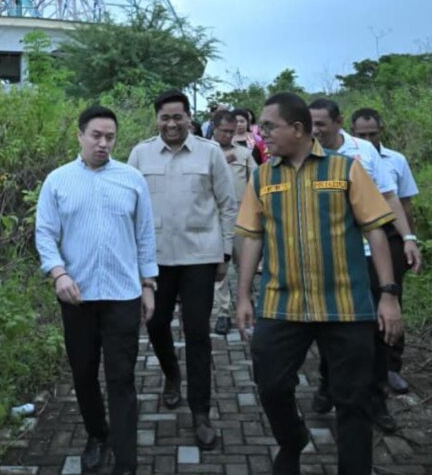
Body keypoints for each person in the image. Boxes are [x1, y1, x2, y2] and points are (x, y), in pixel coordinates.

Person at [236, 92, 402, 475]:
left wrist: (388, 296)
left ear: (297, 129)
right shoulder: (263, 175)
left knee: (353, 401)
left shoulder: (346, 170)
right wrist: (244, 295)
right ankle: (293, 439)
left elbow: (377, 232)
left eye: (270, 126)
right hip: (282, 305)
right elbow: (253, 236)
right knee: (272, 385)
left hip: (346, 305)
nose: (263, 133)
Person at [36, 105, 158, 475]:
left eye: (110, 137)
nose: (104, 144)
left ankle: (126, 458)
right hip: (78, 297)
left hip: (123, 295)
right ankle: (96, 434)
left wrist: (148, 284)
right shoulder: (57, 181)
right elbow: (45, 234)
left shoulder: (132, 179)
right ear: (80, 135)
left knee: (121, 378)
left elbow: (145, 236)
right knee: (84, 373)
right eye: (97, 136)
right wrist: (58, 274)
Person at [128, 89, 237, 449]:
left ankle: (201, 413)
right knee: (156, 324)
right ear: (157, 119)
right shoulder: (140, 154)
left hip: (199, 259)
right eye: (165, 117)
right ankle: (171, 375)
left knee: (197, 335)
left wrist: (225, 253)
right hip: (155, 260)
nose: (172, 123)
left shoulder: (209, 153)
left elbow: (227, 204)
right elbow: (127, 205)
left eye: (178, 117)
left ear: (190, 117)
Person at [309, 98, 422, 430]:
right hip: (329, 255)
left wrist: (408, 239)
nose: (315, 130)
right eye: (310, 124)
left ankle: (376, 400)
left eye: (321, 124)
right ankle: (327, 383)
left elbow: (389, 197)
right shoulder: (305, 154)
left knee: (375, 329)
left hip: (371, 252)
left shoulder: (365, 152)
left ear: (339, 122)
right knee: (330, 325)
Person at [352, 106, 420, 394]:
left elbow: (404, 202)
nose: (368, 137)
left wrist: (409, 239)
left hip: (390, 237)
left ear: (382, 130)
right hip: (360, 239)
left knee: (391, 299)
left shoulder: (396, 160)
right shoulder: (349, 158)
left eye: (373, 132)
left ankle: (392, 366)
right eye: (362, 134)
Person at [211, 108, 257, 335]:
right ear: (214, 128)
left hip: (241, 219)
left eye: (231, 132)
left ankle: (246, 303)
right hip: (214, 220)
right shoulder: (204, 153)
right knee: (219, 270)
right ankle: (222, 312)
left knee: (244, 265)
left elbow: (255, 184)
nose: (227, 136)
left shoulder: (245, 155)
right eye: (223, 131)